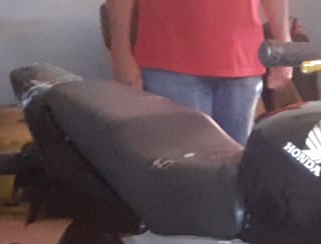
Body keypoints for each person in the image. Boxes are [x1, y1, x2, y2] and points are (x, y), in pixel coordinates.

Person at [107, 0, 291, 144]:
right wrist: (120, 53)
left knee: (236, 169)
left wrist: (284, 46)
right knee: (183, 169)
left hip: (240, 61)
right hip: (168, 61)